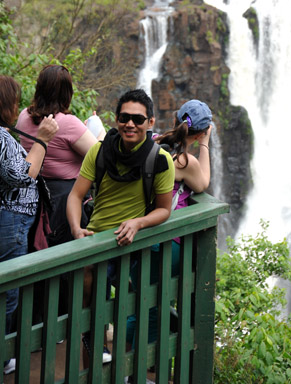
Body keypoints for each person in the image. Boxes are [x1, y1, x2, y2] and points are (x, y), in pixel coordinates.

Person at [66, 88, 175, 365]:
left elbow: (164, 209)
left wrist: (138, 222)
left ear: (150, 123)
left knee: (136, 308)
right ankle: (93, 366)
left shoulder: (159, 160)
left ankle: (129, 370)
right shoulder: (99, 152)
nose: (130, 124)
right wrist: (77, 229)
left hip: (133, 244)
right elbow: (76, 196)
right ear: (116, 119)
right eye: (125, 117)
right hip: (97, 241)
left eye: (138, 119)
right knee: (91, 315)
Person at [126, 98, 213, 357]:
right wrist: (205, 145)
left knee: (139, 299)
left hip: (140, 232)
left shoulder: (152, 145)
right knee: (154, 305)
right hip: (167, 241)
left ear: (175, 120)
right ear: (199, 133)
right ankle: (140, 367)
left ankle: (129, 362)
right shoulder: (186, 162)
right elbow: (203, 184)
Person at [0, 75, 58, 376]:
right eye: (14, 101)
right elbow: (21, 175)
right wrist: (44, 139)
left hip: (8, 218)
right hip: (9, 219)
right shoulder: (1, 136)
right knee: (8, 290)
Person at [17, 64, 105, 246]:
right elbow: (101, 155)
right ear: (67, 93)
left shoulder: (23, 116)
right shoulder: (68, 123)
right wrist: (100, 130)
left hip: (33, 197)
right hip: (65, 201)